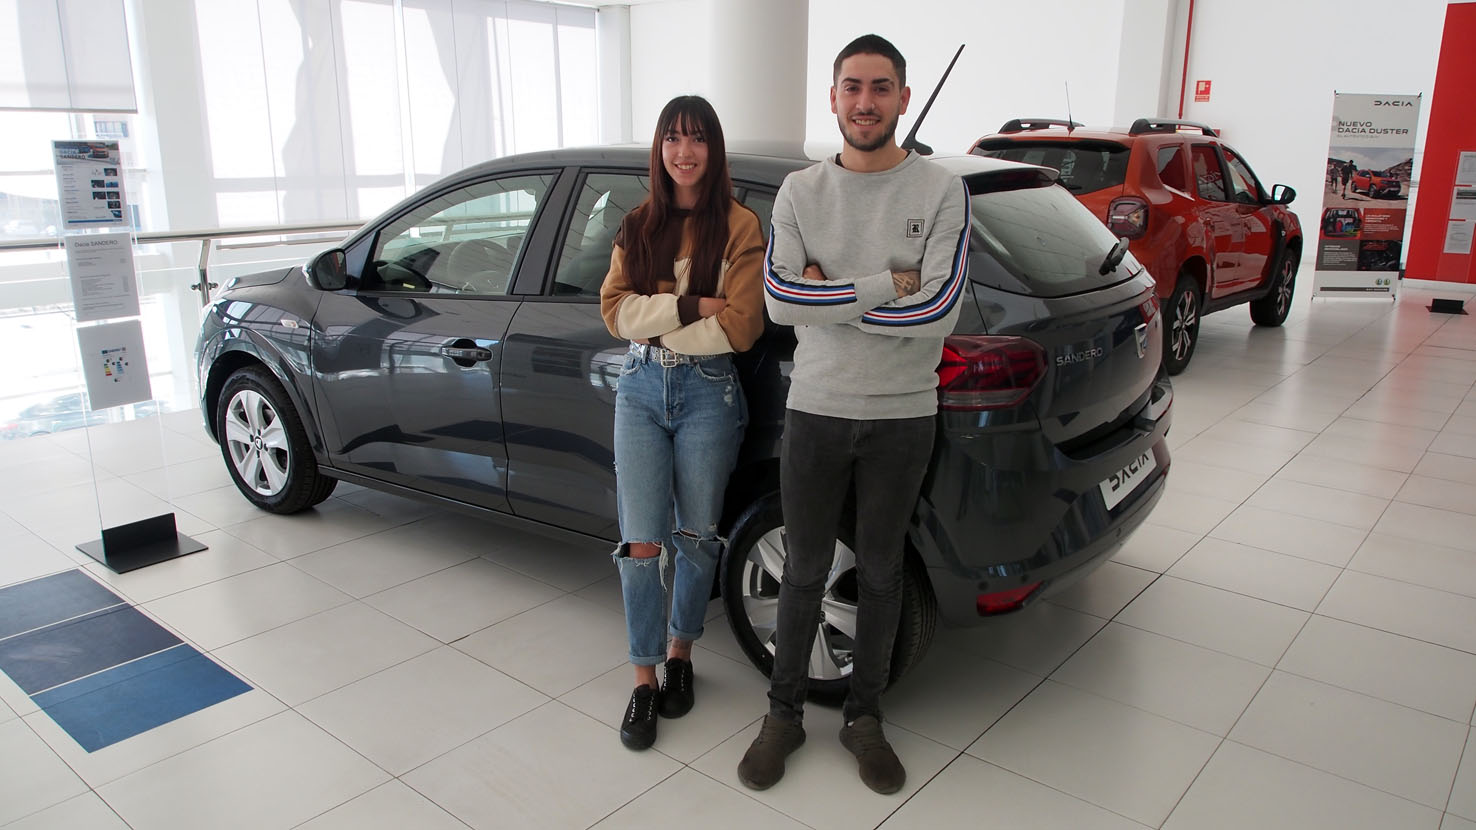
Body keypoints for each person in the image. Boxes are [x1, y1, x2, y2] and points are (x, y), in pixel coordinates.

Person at [736, 34, 969, 795]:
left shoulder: (941, 191)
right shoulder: (802, 192)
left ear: (902, 97)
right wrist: (885, 283)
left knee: (879, 573)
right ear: (833, 97)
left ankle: (864, 719)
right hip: (817, 412)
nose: (864, 101)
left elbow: (937, 310)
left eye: (880, 87)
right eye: (851, 87)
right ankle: (782, 715)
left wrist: (831, 295)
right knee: (802, 571)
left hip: (904, 416)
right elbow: (777, 300)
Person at [599, 95, 766, 751]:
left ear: (713, 149)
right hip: (639, 388)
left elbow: (743, 325)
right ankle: (642, 681)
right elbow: (614, 313)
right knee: (641, 544)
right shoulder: (638, 224)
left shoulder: (741, 226)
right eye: (673, 137)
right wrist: (694, 302)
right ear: (660, 148)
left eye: (697, 138)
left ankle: (681, 656)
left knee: (697, 538)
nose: (684, 151)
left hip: (709, 393)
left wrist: (659, 311)